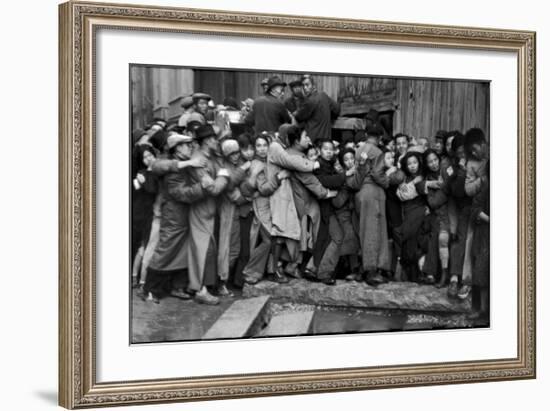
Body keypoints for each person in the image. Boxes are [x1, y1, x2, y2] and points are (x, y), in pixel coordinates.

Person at [141, 134, 206, 304]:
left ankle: (177, 287)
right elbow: (181, 194)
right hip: (174, 216)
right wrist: (202, 187)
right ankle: (150, 290)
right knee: (166, 250)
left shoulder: (182, 163)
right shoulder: (172, 169)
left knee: (181, 251)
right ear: (177, 148)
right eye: (186, 145)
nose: (190, 147)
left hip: (181, 216)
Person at [186, 124, 232, 305]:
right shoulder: (199, 160)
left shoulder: (209, 155)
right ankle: (200, 290)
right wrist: (224, 175)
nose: (217, 141)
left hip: (209, 210)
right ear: (205, 141)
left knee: (208, 249)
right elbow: (212, 188)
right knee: (202, 250)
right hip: (201, 211)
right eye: (213, 139)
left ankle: (203, 286)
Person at [240, 133, 289, 284]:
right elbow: (264, 189)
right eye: (258, 146)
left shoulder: (270, 161)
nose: (262, 149)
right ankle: (251, 271)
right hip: (261, 207)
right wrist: (279, 178)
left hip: (273, 205)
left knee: (274, 239)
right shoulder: (257, 165)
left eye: (264, 145)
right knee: (269, 240)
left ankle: (271, 271)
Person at [346, 135, 392, 286]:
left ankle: (362, 269)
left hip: (361, 195)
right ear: (378, 137)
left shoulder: (359, 150)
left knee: (363, 231)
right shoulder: (377, 151)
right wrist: (387, 181)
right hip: (374, 193)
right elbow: (377, 174)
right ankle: (371, 271)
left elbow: (357, 179)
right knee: (374, 231)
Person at [307, 139, 347, 285]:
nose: (329, 152)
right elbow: (327, 181)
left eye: (331, 149)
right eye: (326, 149)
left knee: (326, 239)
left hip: (327, 209)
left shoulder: (330, 164)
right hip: (323, 209)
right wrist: (345, 175)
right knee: (337, 237)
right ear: (319, 150)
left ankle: (312, 268)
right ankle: (323, 272)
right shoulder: (319, 165)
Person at [418, 149, 450, 287]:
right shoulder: (429, 179)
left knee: (437, 235)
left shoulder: (447, 171)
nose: (433, 164)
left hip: (449, 213)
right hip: (436, 215)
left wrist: (443, 187)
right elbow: (432, 202)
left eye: (435, 160)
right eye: (429, 162)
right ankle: (431, 273)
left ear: (439, 159)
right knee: (432, 236)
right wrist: (441, 187)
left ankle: (432, 273)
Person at [394, 151, 426, 283]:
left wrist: (410, 187)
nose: (412, 166)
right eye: (409, 164)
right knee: (407, 240)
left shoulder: (424, 177)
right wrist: (412, 185)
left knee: (415, 239)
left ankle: (419, 274)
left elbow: (409, 194)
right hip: (407, 212)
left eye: (415, 162)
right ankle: (409, 275)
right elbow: (402, 195)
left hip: (420, 211)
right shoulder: (404, 179)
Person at [294, 74, 340, 142]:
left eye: (307, 85)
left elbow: (299, 117)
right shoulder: (324, 95)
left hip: (313, 140)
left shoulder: (309, 101)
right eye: (303, 85)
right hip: (326, 138)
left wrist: (296, 112)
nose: (305, 88)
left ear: (313, 85)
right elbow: (337, 109)